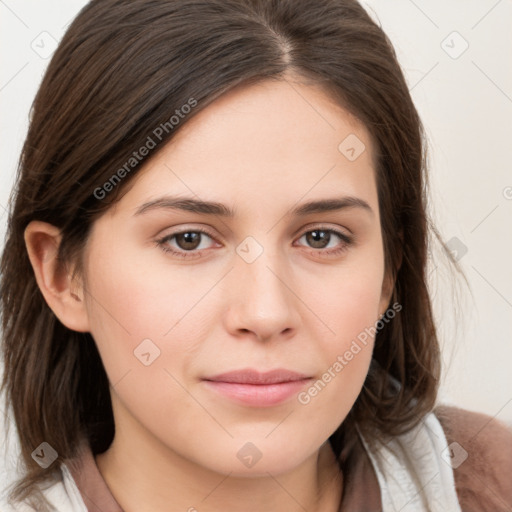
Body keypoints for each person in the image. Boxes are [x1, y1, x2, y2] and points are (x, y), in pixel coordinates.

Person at [1, 0, 511, 511]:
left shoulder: (489, 482)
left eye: (320, 238)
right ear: (63, 273)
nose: (266, 313)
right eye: (188, 239)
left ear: (389, 272)